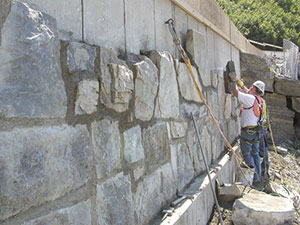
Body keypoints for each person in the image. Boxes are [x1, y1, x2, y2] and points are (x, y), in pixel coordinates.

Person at [231, 80, 265, 183]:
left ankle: (252, 176)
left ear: (254, 88)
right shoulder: (261, 100)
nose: (249, 88)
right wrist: (241, 84)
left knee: (247, 153)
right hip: (257, 131)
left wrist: (233, 82)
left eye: (251, 87)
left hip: (248, 132)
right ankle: (257, 177)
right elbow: (247, 92)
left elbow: (236, 93)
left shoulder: (250, 99)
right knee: (255, 153)